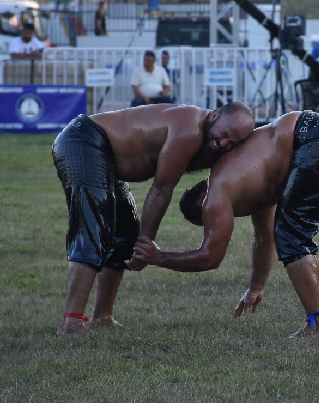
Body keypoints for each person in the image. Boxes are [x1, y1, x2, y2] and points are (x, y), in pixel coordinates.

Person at [130, 111, 319, 338]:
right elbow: (263, 238)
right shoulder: (252, 185)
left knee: (292, 234)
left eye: (209, 217)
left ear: (201, 201)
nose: (219, 219)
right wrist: (256, 286)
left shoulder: (216, 191)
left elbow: (210, 256)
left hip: (310, 136)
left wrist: (159, 257)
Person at [52, 102, 255, 335]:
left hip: (107, 160)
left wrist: (137, 243)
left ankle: (102, 316)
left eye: (234, 143)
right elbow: (161, 189)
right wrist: (145, 244)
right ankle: (71, 321)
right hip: (84, 140)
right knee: (94, 227)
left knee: (124, 233)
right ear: (215, 115)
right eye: (224, 134)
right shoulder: (189, 128)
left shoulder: (215, 143)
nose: (224, 143)